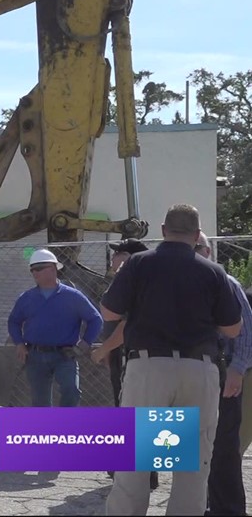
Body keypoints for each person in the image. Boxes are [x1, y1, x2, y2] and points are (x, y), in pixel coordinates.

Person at [102, 204, 242, 516]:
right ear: (196, 235)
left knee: (137, 457)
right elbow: (233, 329)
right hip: (199, 369)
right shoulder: (214, 272)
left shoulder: (138, 264)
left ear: (163, 230)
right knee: (192, 463)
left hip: (148, 367)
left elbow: (109, 312)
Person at [91, 238, 158, 491]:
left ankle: (138, 472)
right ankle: (135, 469)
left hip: (133, 358)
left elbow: (125, 325)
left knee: (134, 413)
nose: (113, 258)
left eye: (118, 253)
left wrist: (102, 351)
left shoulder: (135, 282)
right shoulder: (128, 280)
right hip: (123, 357)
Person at [195, 233, 252, 517]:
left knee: (225, 448)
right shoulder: (174, 284)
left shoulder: (227, 283)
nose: (193, 253)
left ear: (208, 250)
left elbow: (244, 331)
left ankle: (227, 510)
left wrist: (237, 370)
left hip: (222, 370)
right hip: (187, 373)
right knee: (187, 444)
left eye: (198, 248)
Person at [7, 248, 103, 407]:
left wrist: (85, 343)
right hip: (35, 355)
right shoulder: (27, 298)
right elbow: (13, 321)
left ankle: (64, 426)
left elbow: (95, 319)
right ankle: (47, 429)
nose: (35, 273)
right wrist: (19, 343)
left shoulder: (72, 296)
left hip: (65, 355)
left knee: (71, 391)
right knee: (40, 401)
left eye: (39, 268)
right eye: (32, 270)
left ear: (52, 269)